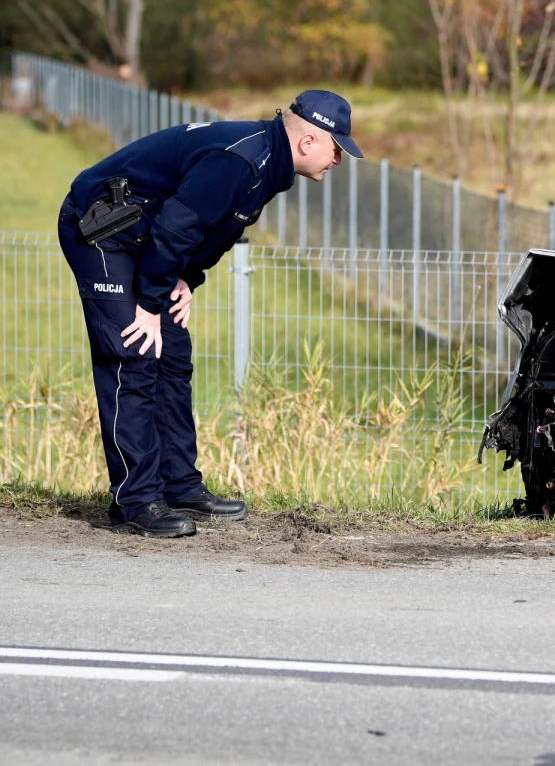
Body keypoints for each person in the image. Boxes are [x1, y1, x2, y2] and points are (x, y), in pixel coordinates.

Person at [58, 90, 364, 538]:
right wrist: (147, 303)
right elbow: (177, 224)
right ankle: (135, 502)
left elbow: (218, 226)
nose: (338, 159)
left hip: (145, 239)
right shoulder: (241, 160)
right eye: (336, 147)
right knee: (135, 353)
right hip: (101, 228)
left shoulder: (270, 164)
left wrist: (187, 278)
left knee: (173, 354)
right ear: (307, 142)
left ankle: (179, 487)